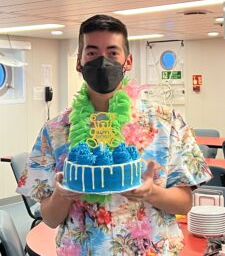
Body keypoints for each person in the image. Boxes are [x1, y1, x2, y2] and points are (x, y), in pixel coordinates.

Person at [17, 14, 212, 256]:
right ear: (79, 62)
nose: (102, 61)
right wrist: (62, 193)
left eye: (112, 53)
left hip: (152, 249)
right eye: (92, 53)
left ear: (127, 61)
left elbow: (186, 202)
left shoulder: (166, 122)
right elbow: (50, 218)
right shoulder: (55, 130)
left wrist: (151, 192)